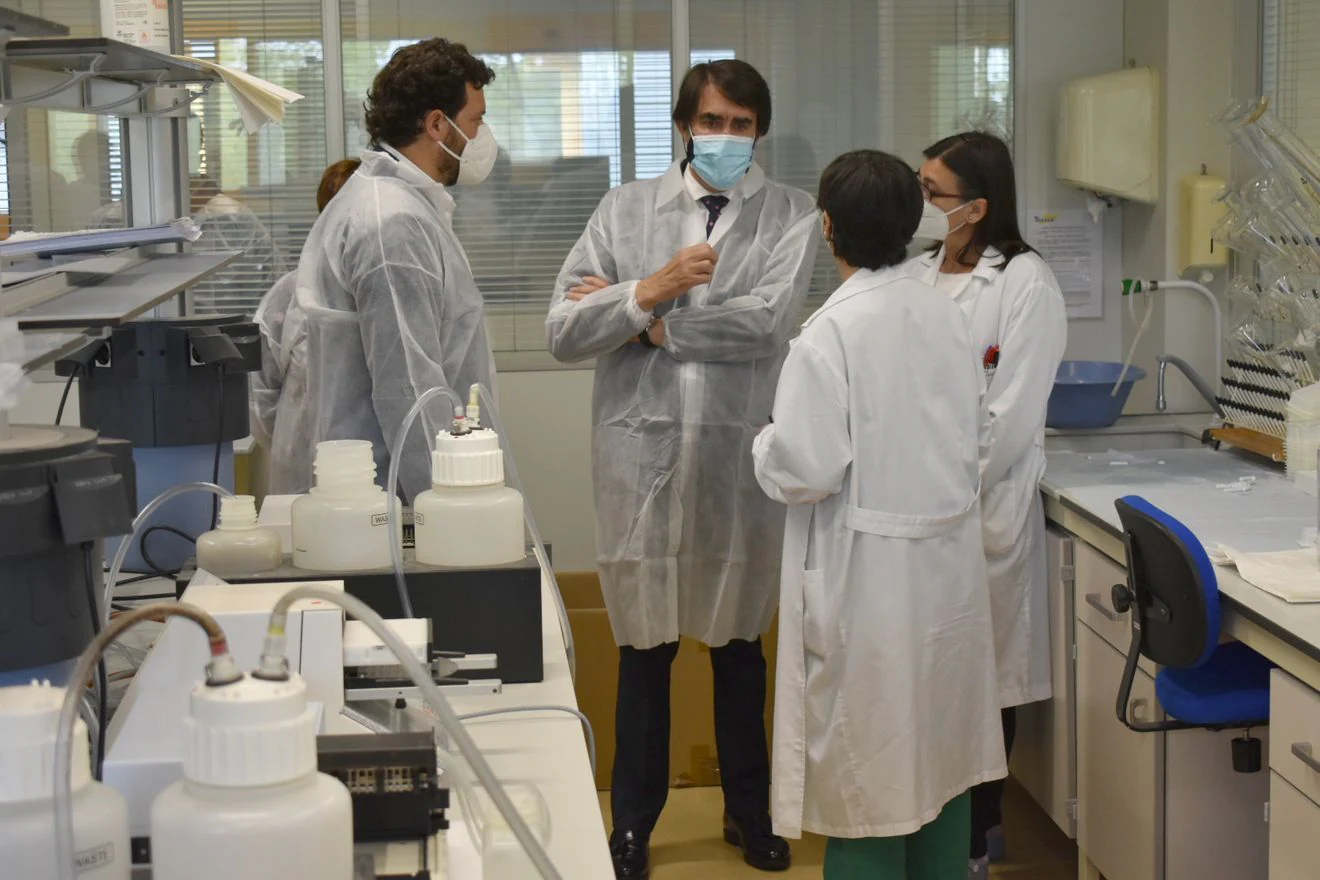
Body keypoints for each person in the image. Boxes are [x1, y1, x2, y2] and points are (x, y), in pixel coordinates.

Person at [546, 60, 820, 879]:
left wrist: (645, 324)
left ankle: (750, 814)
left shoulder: (792, 214)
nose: (726, 138)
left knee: (740, 648)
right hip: (641, 462)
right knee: (644, 649)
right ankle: (633, 825)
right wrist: (651, 286)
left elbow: (767, 324)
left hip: (738, 467)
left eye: (741, 124)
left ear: (760, 130)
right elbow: (565, 326)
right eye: (712, 121)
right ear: (683, 124)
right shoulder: (625, 209)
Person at [752, 149, 1006, 880]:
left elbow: (807, 467)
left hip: (870, 590)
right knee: (939, 763)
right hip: (945, 575)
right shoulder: (945, 312)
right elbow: (977, 432)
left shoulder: (830, 335)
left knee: (869, 781)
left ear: (825, 227)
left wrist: (766, 443)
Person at [905, 131, 1068, 879]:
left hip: (979, 507)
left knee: (984, 676)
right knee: (932, 673)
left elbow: (1012, 411)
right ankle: (936, 827)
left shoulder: (1024, 282)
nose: (921, 203)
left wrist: (944, 484)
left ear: (976, 206)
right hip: (913, 508)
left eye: (932, 192)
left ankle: (978, 835)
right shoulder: (915, 273)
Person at [270, 39, 499, 501]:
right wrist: (445, 503)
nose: (482, 136)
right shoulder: (393, 223)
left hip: (378, 490)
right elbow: (408, 389)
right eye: (475, 120)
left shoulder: (395, 204)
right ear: (438, 123)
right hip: (385, 494)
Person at [249, 158, 360, 483]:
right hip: (301, 476)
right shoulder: (290, 297)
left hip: (379, 477)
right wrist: (298, 444)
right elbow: (261, 399)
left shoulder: (395, 292)